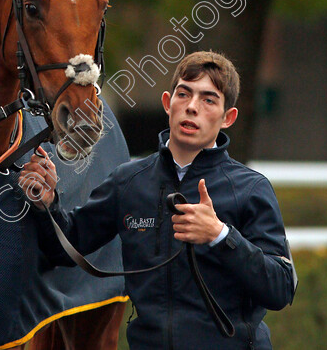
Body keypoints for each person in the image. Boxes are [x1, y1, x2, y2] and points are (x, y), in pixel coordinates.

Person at [20, 51, 297, 350]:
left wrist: (221, 236)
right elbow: (64, 248)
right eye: (184, 94)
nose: (192, 107)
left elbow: (281, 289)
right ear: (168, 103)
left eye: (208, 99)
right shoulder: (127, 182)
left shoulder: (252, 188)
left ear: (228, 117)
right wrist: (46, 205)